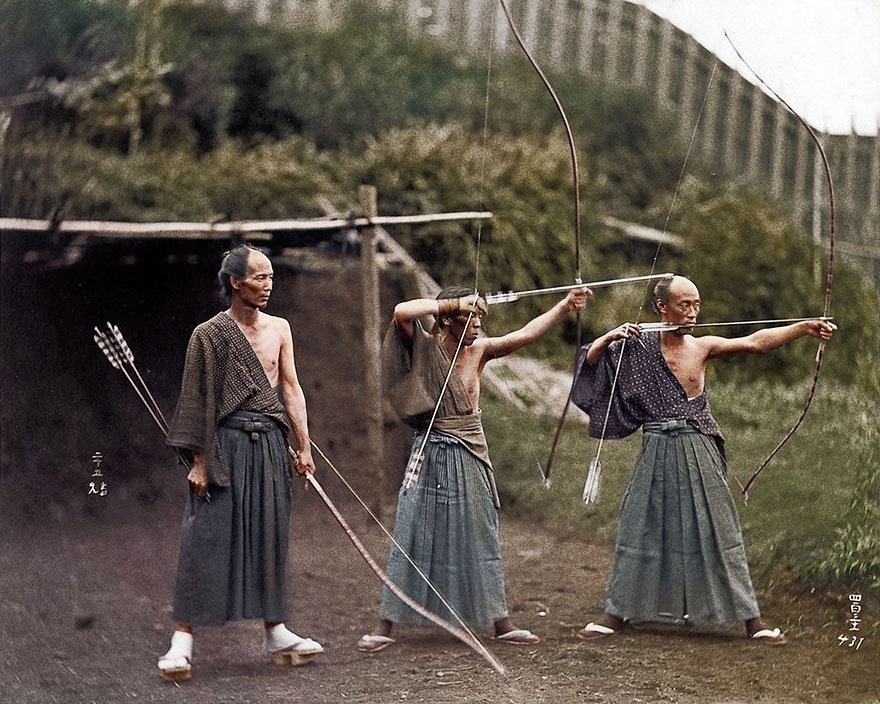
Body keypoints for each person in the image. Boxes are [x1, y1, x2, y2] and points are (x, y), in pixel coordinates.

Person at [572, 275, 836, 645]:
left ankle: (751, 619)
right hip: (657, 446)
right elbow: (592, 363)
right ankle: (615, 611)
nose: (693, 313)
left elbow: (755, 343)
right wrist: (608, 337)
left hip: (697, 445)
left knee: (718, 528)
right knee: (640, 524)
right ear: (662, 307)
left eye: (697, 305)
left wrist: (803, 328)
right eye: (684, 305)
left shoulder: (702, 346)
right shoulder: (636, 345)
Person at [356, 284, 592, 653]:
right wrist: (450, 302)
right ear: (448, 320)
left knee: (480, 532)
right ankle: (385, 625)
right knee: (413, 530)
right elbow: (401, 311)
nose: (478, 323)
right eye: (470, 316)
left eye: (480, 316)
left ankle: (501, 623)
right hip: (432, 449)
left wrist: (564, 306)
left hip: (469, 451)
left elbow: (525, 335)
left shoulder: (479, 351)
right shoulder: (424, 349)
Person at [157, 245, 323, 681]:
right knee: (205, 536)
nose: (268, 285)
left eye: (271, 278)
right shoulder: (208, 334)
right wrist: (198, 461)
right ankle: (181, 642)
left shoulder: (281, 328)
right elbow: (195, 400)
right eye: (259, 278)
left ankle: (277, 631)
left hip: (269, 442)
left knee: (270, 532)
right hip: (223, 445)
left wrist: (304, 447)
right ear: (235, 282)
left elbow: (290, 387)